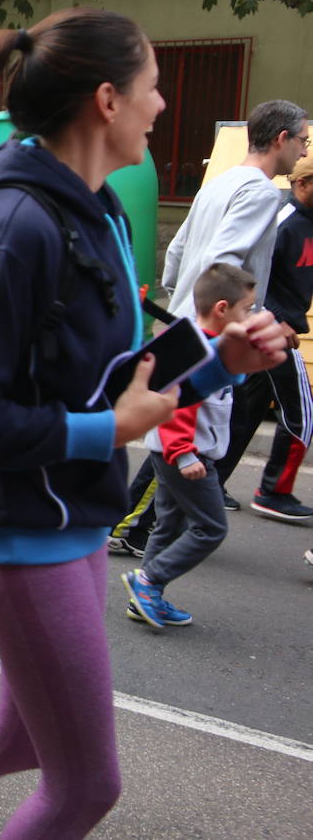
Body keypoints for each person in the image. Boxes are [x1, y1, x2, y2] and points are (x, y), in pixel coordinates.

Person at [0, 8, 286, 840]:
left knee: (19, 737)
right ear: (107, 99)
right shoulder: (14, 226)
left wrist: (217, 362)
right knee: (85, 788)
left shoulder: (93, 206)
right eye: (153, 87)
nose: (163, 106)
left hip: (68, 520)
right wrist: (104, 434)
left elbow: (115, 369)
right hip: (21, 535)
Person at [163, 98, 308, 510]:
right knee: (185, 436)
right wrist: (255, 322)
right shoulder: (262, 192)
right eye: (302, 141)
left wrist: (179, 303)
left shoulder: (220, 182)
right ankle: (138, 529)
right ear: (281, 139)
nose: (304, 152)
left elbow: (176, 253)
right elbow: (224, 263)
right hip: (210, 333)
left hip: (188, 322)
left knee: (186, 429)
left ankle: (149, 528)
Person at [123, 264, 254, 629]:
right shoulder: (198, 352)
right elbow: (177, 407)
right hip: (185, 456)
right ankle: (148, 582)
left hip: (179, 454)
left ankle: (145, 597)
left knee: (168, 526)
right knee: (211, 528)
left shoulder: (209, 346)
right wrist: (183, 454)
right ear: (223, 308)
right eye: (247, 309)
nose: (250, 316)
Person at [223, 153, 313, 521]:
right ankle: (274, 490)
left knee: (246, 412)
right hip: (273, 328)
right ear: (302, 184)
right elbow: (249, 275)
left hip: (282, 327)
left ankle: (210, 484)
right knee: (303, 414)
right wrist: (274, 318)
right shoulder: (283, 222)